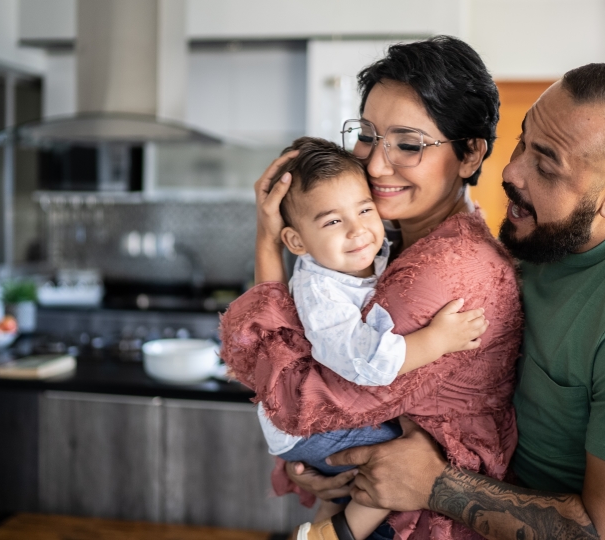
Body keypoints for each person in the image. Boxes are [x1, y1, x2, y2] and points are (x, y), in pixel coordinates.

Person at [325, 64, 605, 540]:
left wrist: (433, 484)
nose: (510, 171)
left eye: (545, 165)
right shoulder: (546, 235)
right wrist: (350, 465)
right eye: (522, 141)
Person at [219, 36, 523, 540]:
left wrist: (268, 246)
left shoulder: (441, 273)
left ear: (469, 154)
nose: (376, 166)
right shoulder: (389, 243)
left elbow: (298, 404)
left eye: (408, 144)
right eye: (367, 135)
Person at [237, 136, 490, 540]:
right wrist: (438, 340)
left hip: (310, 422)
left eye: (365, 209)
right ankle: (335, 533)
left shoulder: (365, 254)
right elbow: (366, 363)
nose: (359, 231)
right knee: (401, 458)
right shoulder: (321, 293)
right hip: (309, 427)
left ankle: (329, 516)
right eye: (333, 221)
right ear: (297, 243)